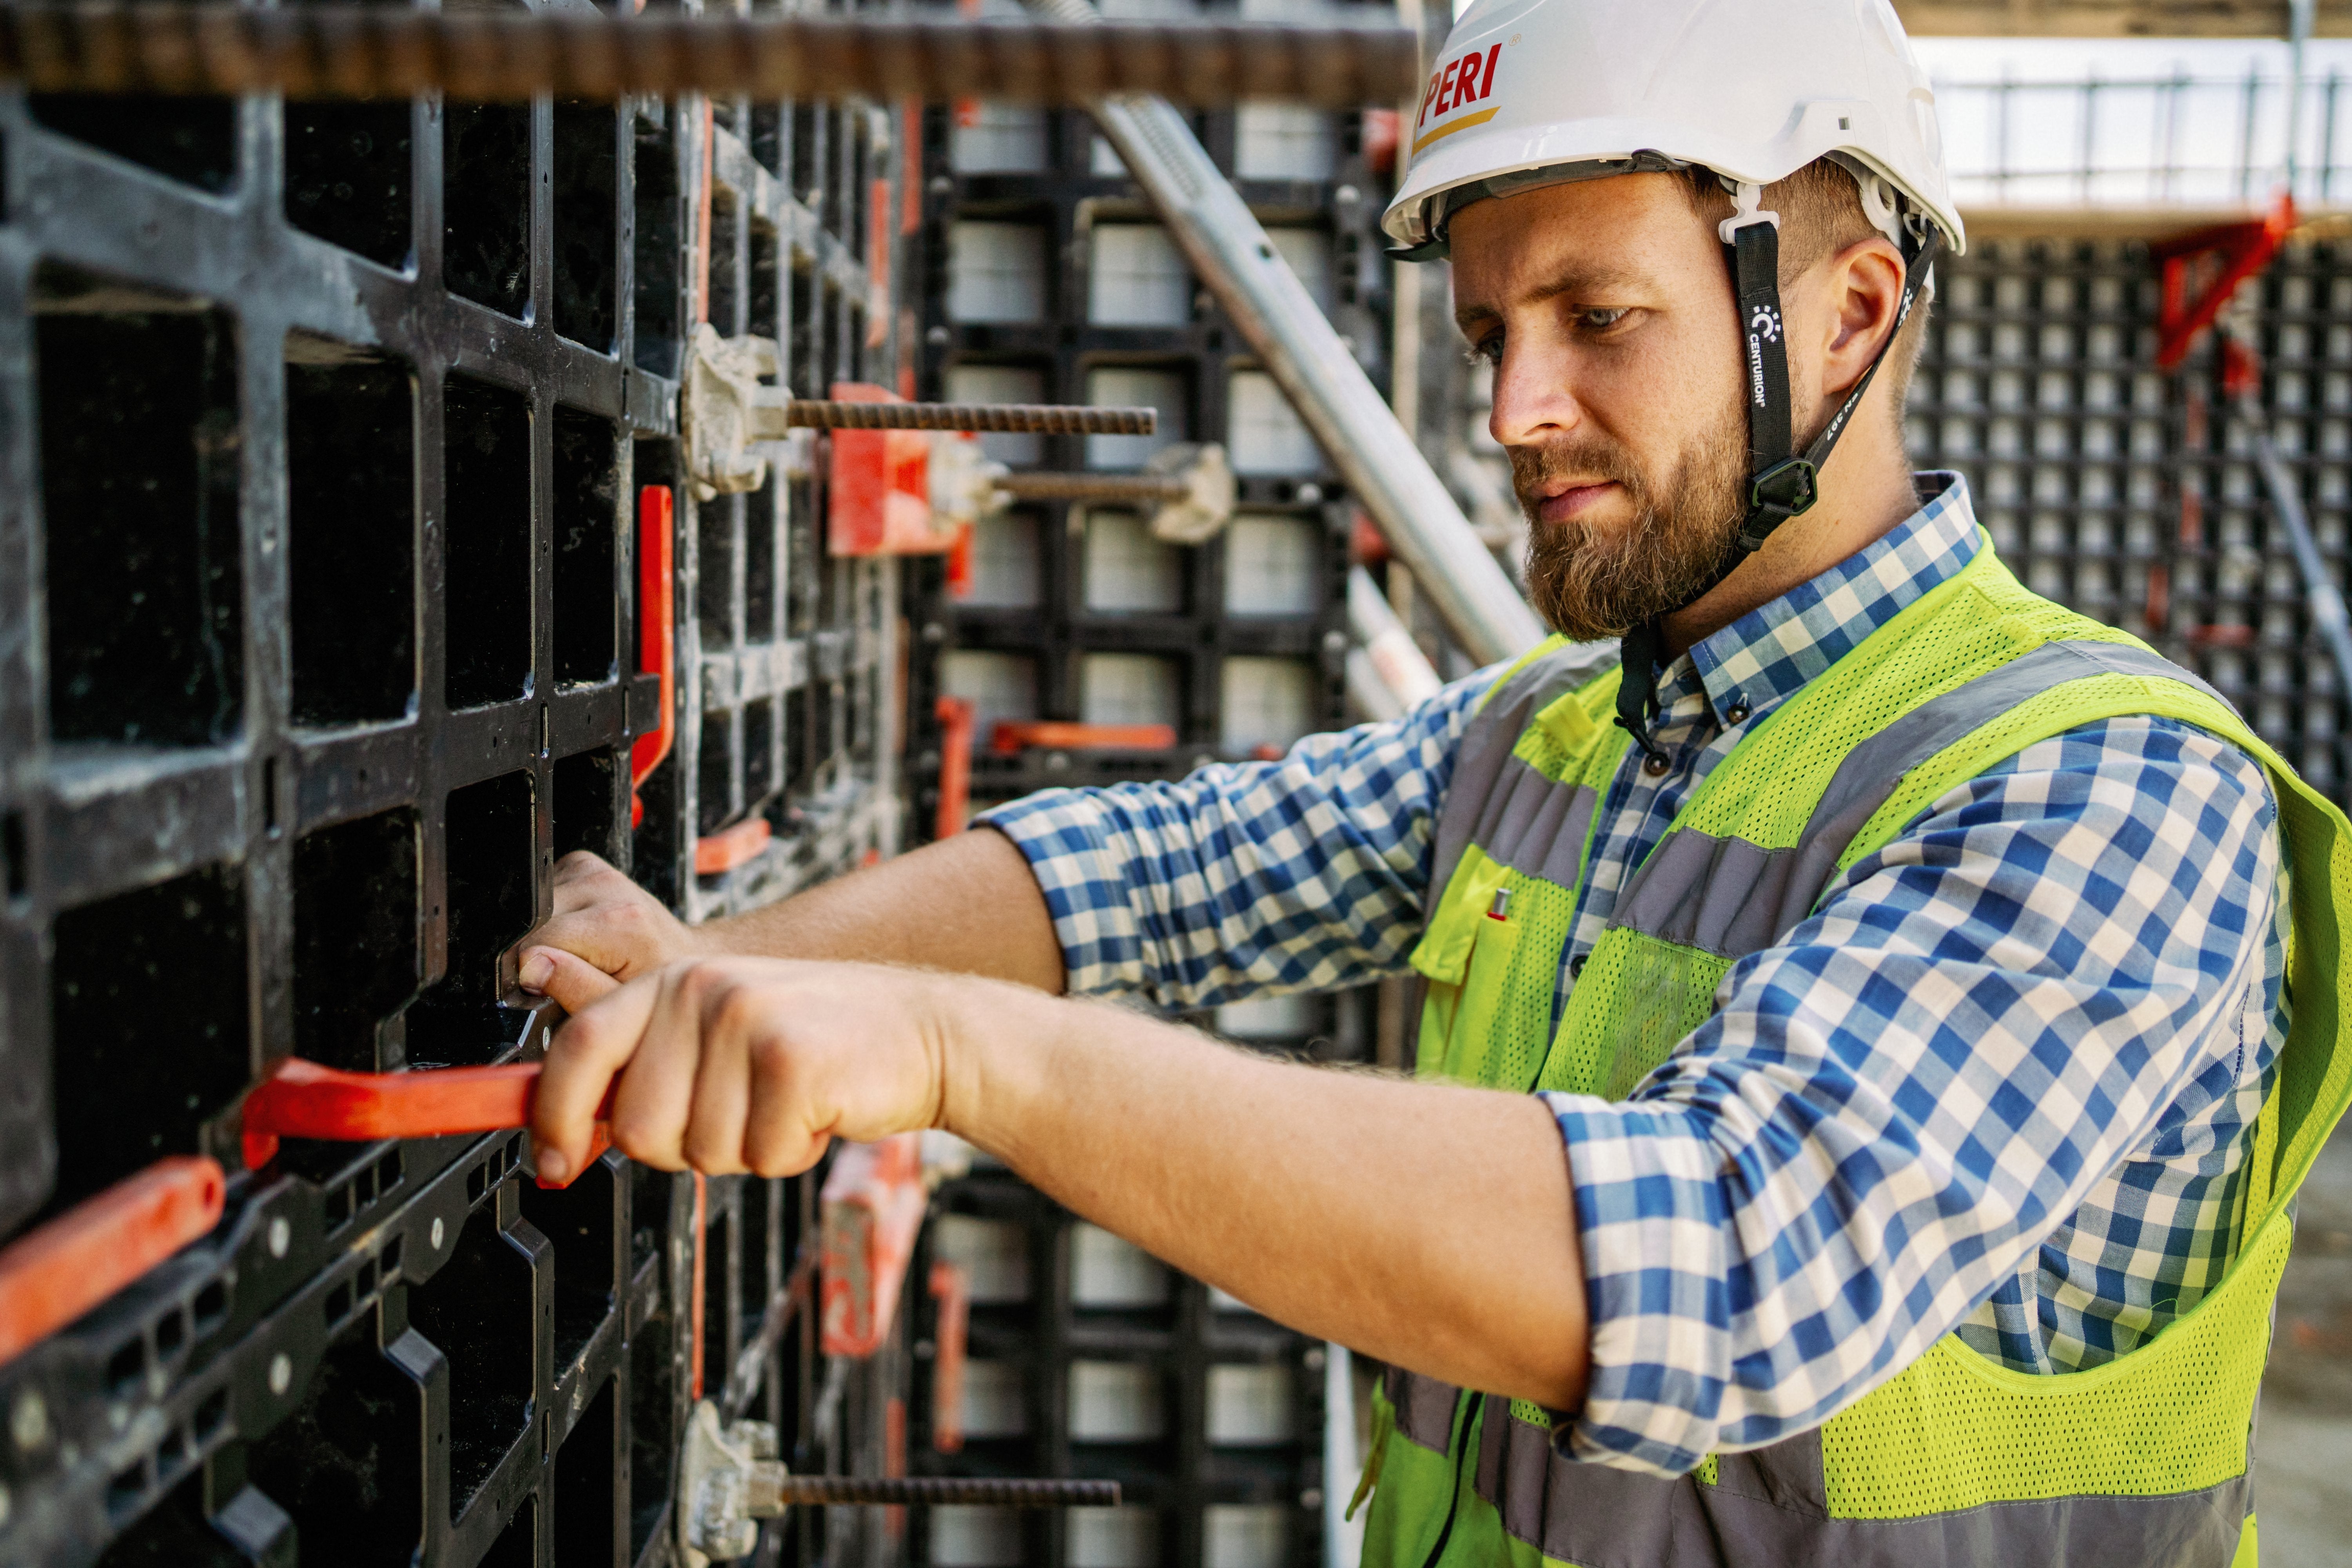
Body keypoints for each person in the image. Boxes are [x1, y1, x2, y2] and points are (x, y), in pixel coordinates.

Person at [516, 0, 2352, 1561]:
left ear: (1855, 311)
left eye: (1596, 317)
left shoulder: (2109, 791)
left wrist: (944, 1050)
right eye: (1489, 333)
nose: (1511, 410)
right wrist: (727, 967)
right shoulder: (1559, 729)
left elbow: (1715, 1264)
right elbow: (1153, 873)